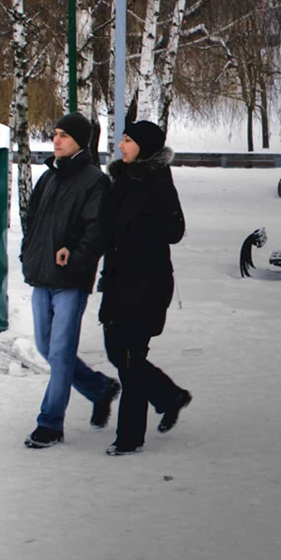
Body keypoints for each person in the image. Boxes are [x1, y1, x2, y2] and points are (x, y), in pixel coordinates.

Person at [20, 112, 115, 449]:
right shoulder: (48, 177)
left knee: (60, 352)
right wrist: (28, 253)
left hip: (70, 280)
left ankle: (50, 423)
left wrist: (74, 257)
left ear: (80, 141)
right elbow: (31, 219)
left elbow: (97, 231)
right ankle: (99, 388)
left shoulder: (94, 181)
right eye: (55, 133)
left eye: (63, 135)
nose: (55, 139)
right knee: (47, 347)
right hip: (41, 275)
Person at [96, 120, 191, 454]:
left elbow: (175, 230)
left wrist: (136, 226)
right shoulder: (118, 180)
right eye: (121, 139)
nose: (120, 146)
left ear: (145, 147)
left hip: (147, 284)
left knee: (130, 356)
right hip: (118, 282)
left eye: (127, 140)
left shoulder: (158, 181)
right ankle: (169, 395)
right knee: (118, 353)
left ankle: (130, 437)